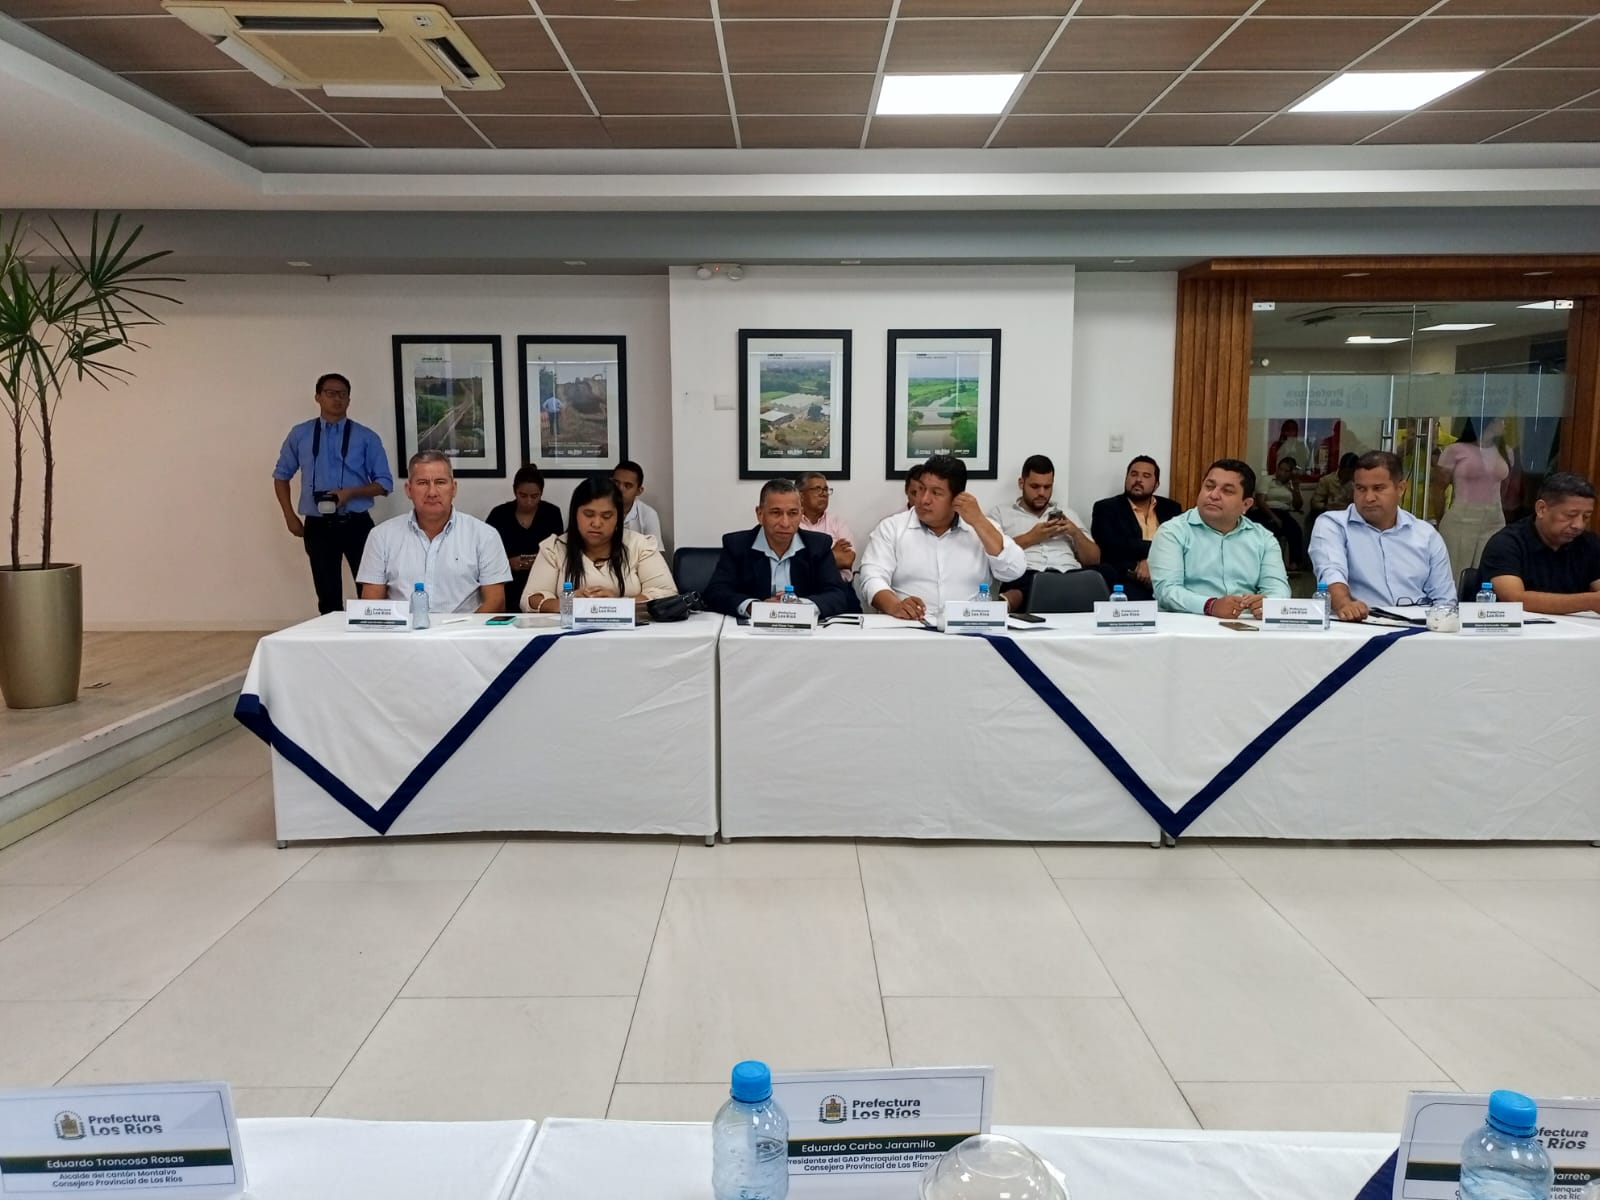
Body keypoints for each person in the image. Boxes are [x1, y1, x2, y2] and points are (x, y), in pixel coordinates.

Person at [272, 372, 393, 614]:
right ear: (318, 397)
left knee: (370, 591)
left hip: (356, 523)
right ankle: (331, 635)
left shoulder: (366, 437)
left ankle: (372, 633)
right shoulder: (300, 434)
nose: (337, 399)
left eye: (342, 394)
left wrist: (351, 493)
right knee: (327, 595)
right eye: (330, 393)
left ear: (349, 399)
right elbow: (281, 476)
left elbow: (384, 484)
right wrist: (289, 516)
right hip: (317, 525)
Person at [856, 455, 1025, 621]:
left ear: (957, 498)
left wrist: (979, 522)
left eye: (936, 493)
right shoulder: (892, 528)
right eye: (921, 489)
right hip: (908, 626)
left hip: (969, 627)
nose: (924, 499)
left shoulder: (981, 528)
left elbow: (1014, 570)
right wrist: (895, 606)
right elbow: (871, 577)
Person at [1309, 450, 1454, 621]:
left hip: (1420, 625)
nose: (1369, 497)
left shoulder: (1426, 535)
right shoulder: (1333, 525)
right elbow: (1331, 573)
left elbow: (1445, 599)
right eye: (1361, 489)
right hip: (1361, 623)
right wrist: (1344, 604)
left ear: (1401, 488)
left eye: (1378, 488)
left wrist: (1440, 624)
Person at [357, 451, 509, 613]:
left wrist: (465, 628)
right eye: (422, 483)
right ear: (409, 490)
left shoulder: (484, 536)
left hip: (464, 628)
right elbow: (372, 603)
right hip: (404, 628)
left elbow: (496, 601)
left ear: (454, 488)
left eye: (440, 482)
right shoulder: (381, 536)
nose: (432, 492)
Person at [1149, 457, 1290, 618]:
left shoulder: (1264, 539)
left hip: (1247, 623)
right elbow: (1166, 591)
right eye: (1209, 486)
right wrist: (1211, 605)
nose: (1214, 495)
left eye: (1227, 491)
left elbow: (1279, 589)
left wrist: (1268, 603)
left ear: (1246, 504)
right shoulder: (1173, 532)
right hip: (1190, 622)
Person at [702, 479, 857, 619]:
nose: (785, 523)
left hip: (804, 632)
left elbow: (838, 595)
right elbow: (716, 592)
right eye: (776, 513)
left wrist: (801, 606)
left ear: (801, 514)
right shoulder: (737, 545)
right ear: (760, 514)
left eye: (793, 513)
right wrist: (754, 607)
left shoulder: (818, 545)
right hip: (752, 632)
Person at [522, 476, 677, 615]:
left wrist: (617, 604)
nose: (596, 523)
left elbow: (666, 593)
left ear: (619, 518)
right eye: (588, 514)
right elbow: (530, 600)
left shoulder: (640, 545)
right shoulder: (554, 548)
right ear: (575, 514)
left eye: (606, 516)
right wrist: (569, 603)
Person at [985, 453, 1099, 612]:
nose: (1042, 493)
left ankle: (1014, 598)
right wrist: (1032, 537)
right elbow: (993, 555)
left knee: (1107, 572)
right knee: (1028, 580)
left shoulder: (1068, 514)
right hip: (1027, 574)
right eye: (1035, 486)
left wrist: (1075, 533)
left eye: (1047, 487)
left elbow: (1094, 560)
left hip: (1069, 575)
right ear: (1021, 483)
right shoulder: (1000, 514)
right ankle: (1012, 599)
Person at [1478, 472, 1600, 614]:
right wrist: (1589, 601)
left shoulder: (1589, 543)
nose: (1578, 525)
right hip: (1511, 625)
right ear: (1541, 509)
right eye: (1570, 515)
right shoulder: (1507, 543)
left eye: (1586, 517)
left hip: (1574, 626)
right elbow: (1514, 599)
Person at [1090, 455, 1181, 602]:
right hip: (1128, 577)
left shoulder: (1171, 508)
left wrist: (1151, 561)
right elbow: (1111, 546)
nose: (1138, 479)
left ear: (1156, 484)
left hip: (1166, 576)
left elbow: (1178, 544)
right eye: (1133, 474)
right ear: (1126, 478)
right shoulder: (1106, 508)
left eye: (1146, 476)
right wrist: (1157, 550)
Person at [1434, 418, 1510, 572]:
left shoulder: (1504, 451)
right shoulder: (1456, 450)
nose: (1504, 424)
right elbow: (1438, 488)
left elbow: (1503, 487)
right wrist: (1440, 518)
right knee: (1458, 569)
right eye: (1499, 420)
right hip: (1462, 516)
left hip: (1494, 518)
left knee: (1488, 568)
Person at [485, 464, 565, 608]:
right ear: (514, 491)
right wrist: (508, 563)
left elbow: (560, 552)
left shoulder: (551, 513)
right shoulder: (499, 515)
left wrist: (540, 561)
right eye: (523, 496)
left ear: (541, 492)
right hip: (507, 587)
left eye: (534, 496)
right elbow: (485, 556)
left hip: (543, 587)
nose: (529, 501)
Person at [1250, 456, 1308, 571]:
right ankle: (1271, 564)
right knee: (1272, 530)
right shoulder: (1267, 480)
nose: (1282, 473)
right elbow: (1260, 501)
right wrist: (1274, 517)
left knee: (1295, 531)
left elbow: (1298, 505)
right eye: (1280, 469)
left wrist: (1296, 489)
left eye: (1286, 471)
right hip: (1265, 511)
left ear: (1291, 473)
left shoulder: (1291, 485)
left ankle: (1294, 564)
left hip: (1283, 513)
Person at [796, 471, 855, 582]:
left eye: (825, 489)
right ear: (801, 496)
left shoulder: (838, 522)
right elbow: (794, 563)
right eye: (817, 489)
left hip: (838, 585)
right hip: (802, 586)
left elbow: (847, 560)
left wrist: (809, 559)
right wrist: (831, 553)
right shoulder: (792, 524)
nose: (823, 494)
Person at [612, 460, 665, 552]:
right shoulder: (599, 508)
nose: (620, 489)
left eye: (627, 485)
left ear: (639, 491)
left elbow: (656, 553)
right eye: (616, 483)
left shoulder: (648, 514)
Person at [1310, 453, 1359, 519]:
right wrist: (1327, 507)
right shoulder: (1327, 480)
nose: (1348, 475)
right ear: (1340, 468)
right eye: (1346, 472)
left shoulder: (1356, 482)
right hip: (1329, 513)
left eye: (1352, 472)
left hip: (1347, 515)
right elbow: (1315, 503)